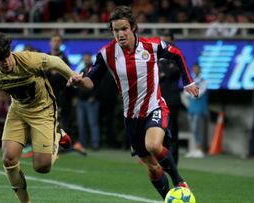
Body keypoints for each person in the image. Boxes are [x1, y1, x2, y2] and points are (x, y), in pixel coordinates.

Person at [67, 6, 199, 200]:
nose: (120, 34)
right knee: (152, 167)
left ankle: (179, 182)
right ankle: (167, 198)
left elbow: (177, 54)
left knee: (153, 145)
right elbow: (91, 81)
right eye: (115, 30)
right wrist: (79, 82)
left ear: (133, 28)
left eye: (124, 29)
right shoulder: (106, 54)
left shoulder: (151, 46)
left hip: (155, 107)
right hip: (131, 117)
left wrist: (188, 81)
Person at [0, 32, 74, 203]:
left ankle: (57, 135)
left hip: (43, 110)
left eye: (7, 56)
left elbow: (56, 61)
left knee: (42, 167)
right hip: (18, 111)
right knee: (8, 159)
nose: (6, 62)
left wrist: (72, 76)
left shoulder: (28, 59)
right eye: (1, 60)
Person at [159, 31, 183, 164]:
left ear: (173, 41)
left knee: (172, 131)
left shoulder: (176, 55)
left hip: (172, 100)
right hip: (160, 100)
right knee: (160, 130)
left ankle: (174, 160)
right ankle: (163, 158)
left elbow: (170, 72)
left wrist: (162, 65)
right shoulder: (161, 58)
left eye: (167, 41)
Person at [47, 33, 75, 135]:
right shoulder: (45, 57)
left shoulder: (65, 59)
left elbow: (68, 77)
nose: (56, 43)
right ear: (50, 43)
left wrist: (54, 73)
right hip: (46, 95)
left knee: (62, 121)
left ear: (61, 43)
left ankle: (62, 144)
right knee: (47, 121)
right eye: (54, 41)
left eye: (58, 41)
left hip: (62, 96)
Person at [75, 52, 100, 150]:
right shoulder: (81, 70)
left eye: (88, 58)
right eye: (85, 58)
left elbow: (99, 85)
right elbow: (77, 85)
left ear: (91, 59)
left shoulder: (95, 70)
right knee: (81, 124)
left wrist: (94, 96)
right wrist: (76, 97)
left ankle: (95, 144)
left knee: (93, 123)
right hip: (81, 100)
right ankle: (82, 143)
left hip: (91, 101)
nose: (86, 60)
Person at [184, 64, 208, 158]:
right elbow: (185, 92)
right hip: (191, 108)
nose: (195, 70)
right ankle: (194, 148)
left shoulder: (203, 81)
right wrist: (192, 93)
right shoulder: (190, 80)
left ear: (200, 70)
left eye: (197, 69)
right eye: (194, 69)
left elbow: (199, 93)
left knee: (198, 128)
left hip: (199, 108)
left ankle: (200, 149)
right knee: (192, 128)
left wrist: (191, 93)